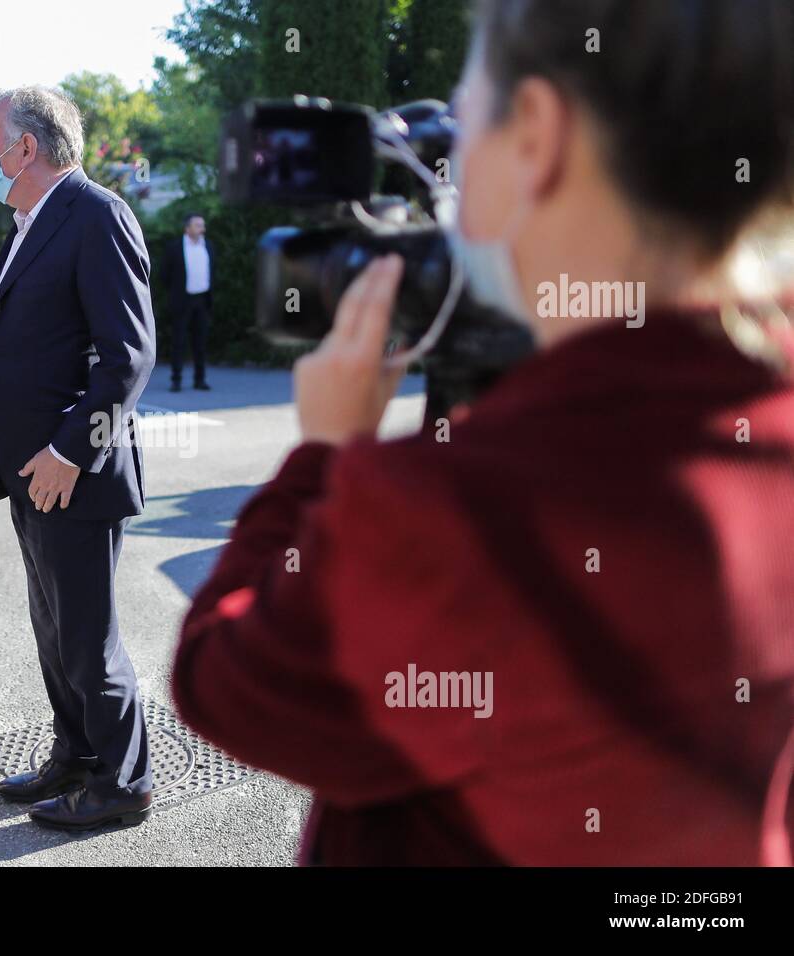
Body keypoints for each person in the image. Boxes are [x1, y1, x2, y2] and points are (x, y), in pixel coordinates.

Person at [172, 0, 794, 866]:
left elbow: (222, 683)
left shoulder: (455, 509)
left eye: (465, 121)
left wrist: (324, 458)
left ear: (537, 134)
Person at [0, 85, 156, 831]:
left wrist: (67, 451)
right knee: (54, 630)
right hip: (31, 470)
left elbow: (129, 357)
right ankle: (76, 755)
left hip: (70, 470)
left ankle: (124, 783)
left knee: (88, 636)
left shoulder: (97, 214)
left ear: (25, 147)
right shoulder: (32, 220)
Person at [165, 213, 214, 391]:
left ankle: (199, 379)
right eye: (198, 225)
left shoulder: (208, 245)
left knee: (200, 342)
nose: (202, 229)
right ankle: (176, 380)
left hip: (202, 300)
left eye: (202, 225)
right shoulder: (175, 248)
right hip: (182, 300)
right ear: (187, 228)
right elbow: (165, 275)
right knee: (178, 341)